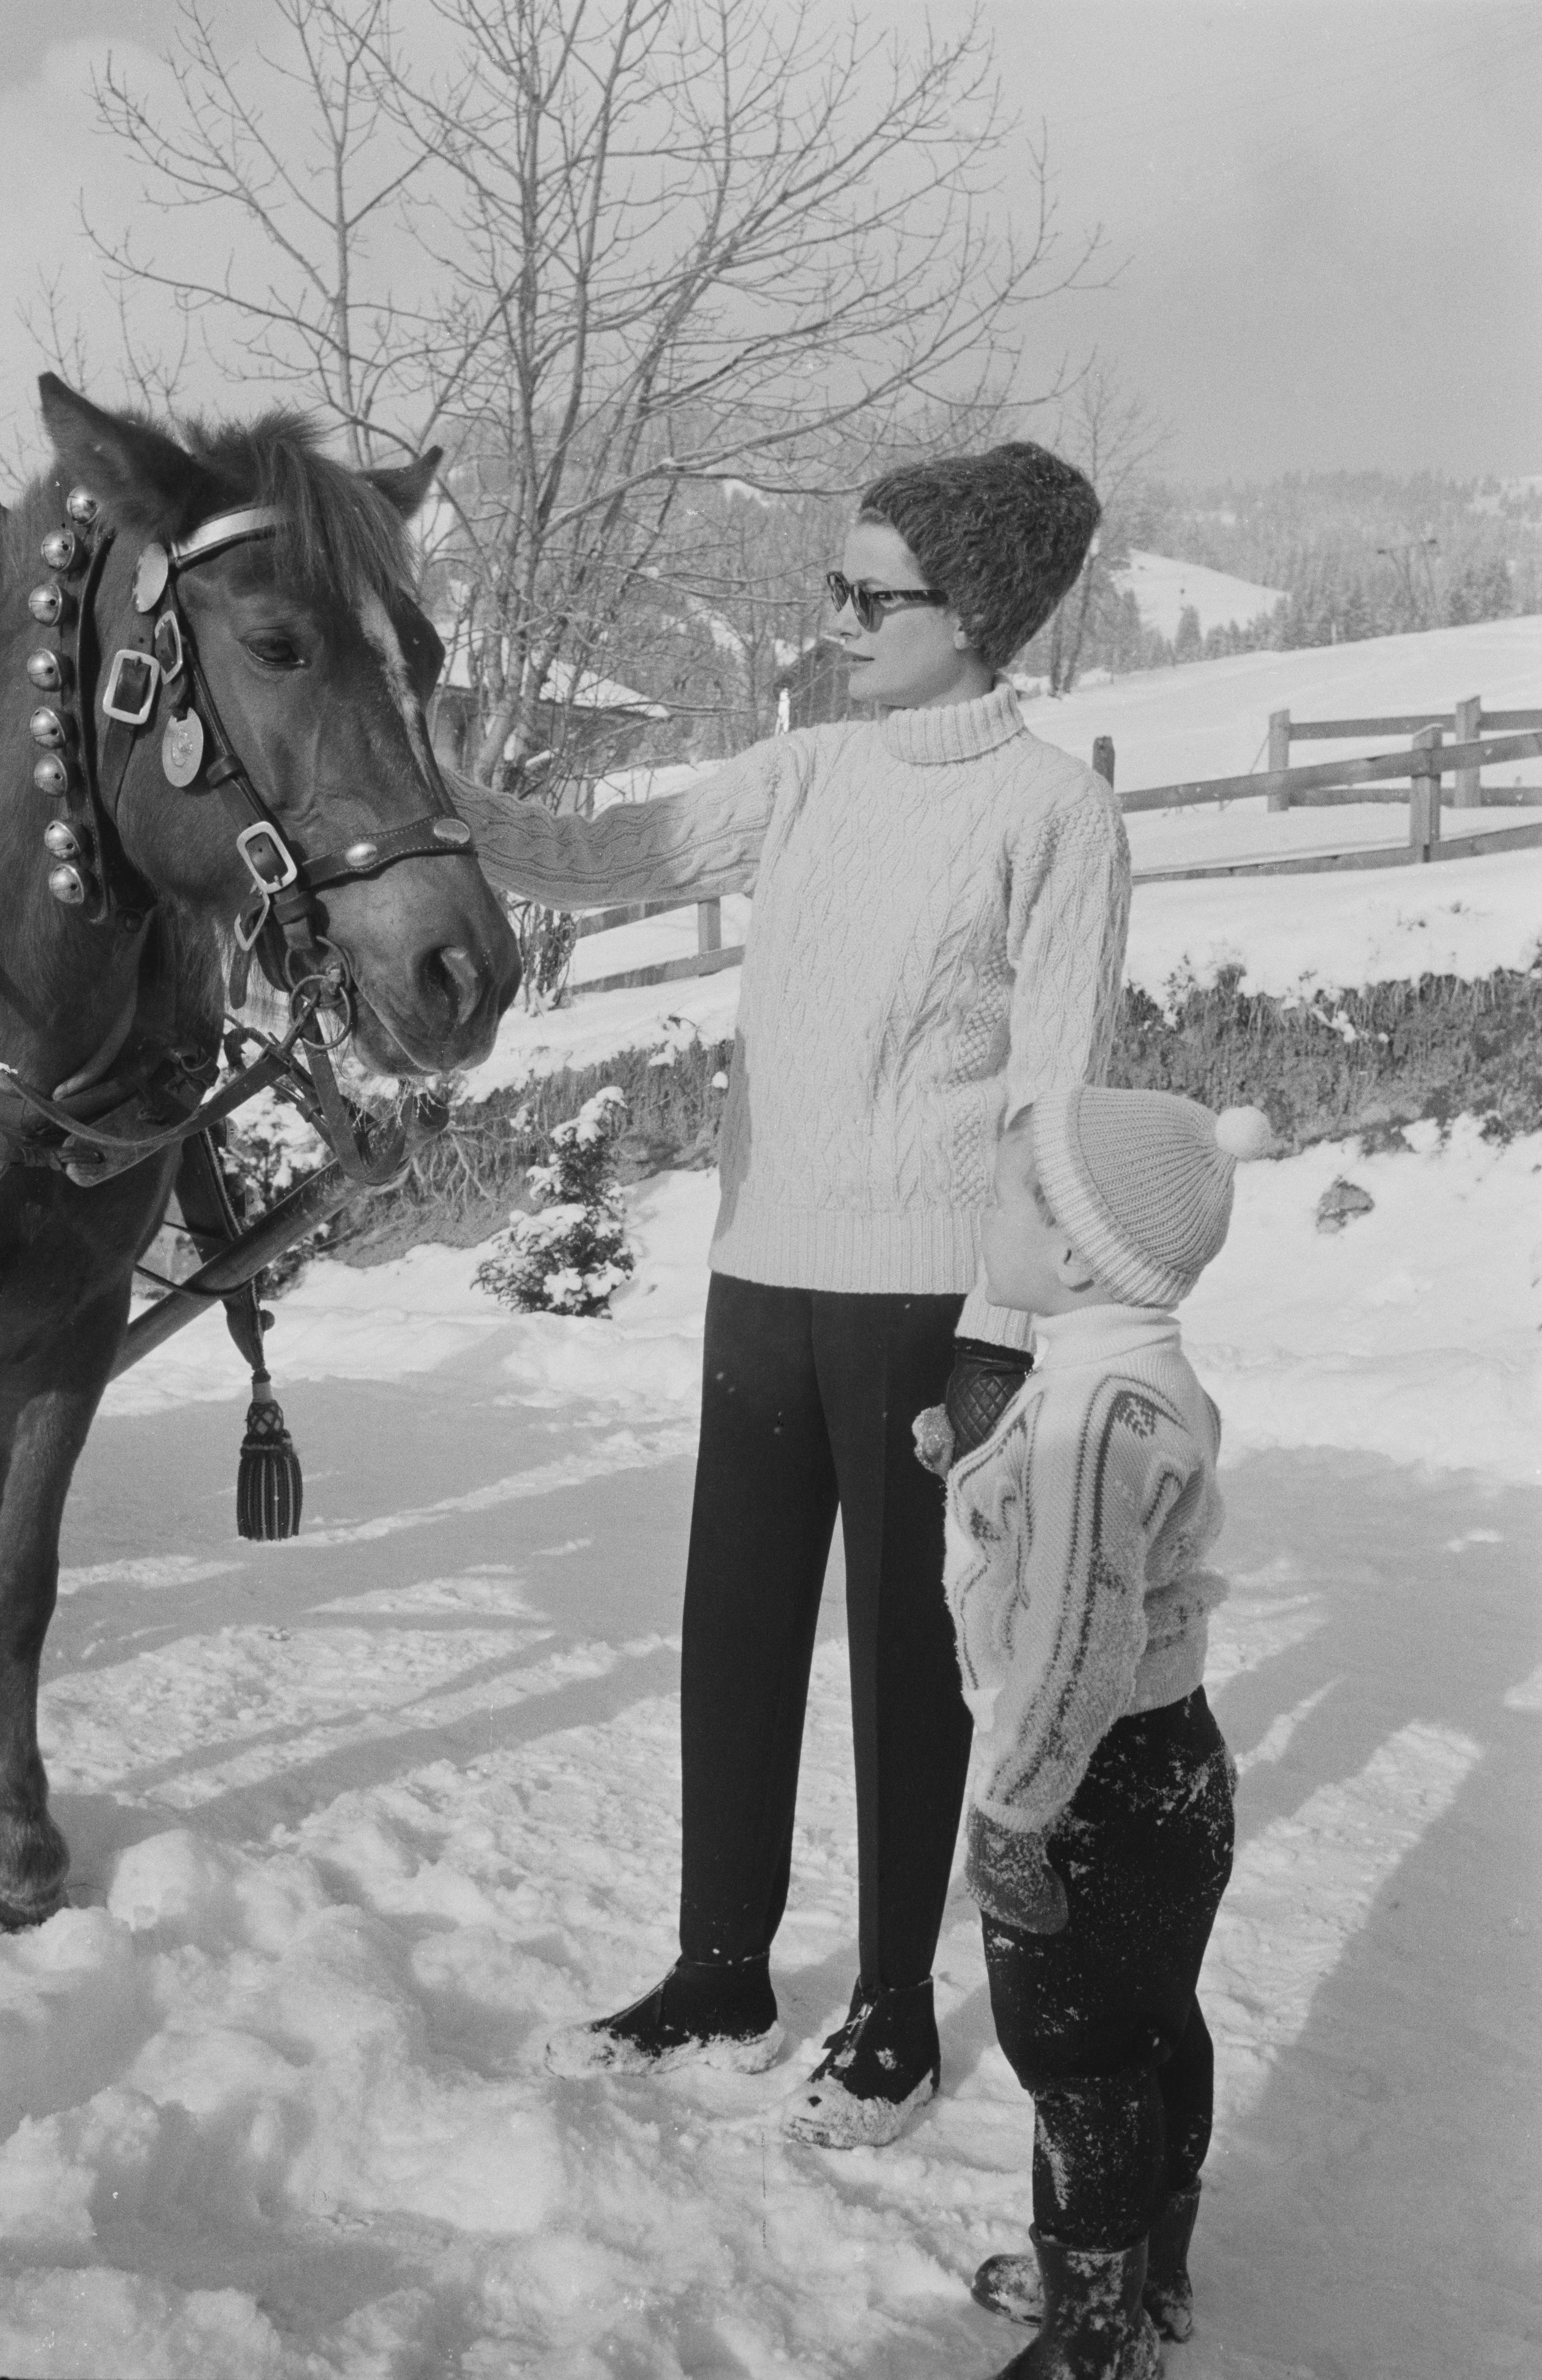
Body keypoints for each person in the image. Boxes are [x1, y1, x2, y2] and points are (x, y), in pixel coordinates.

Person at [471, 442, 1131, 2148]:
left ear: (973, 613)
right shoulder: (808, 771)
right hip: (761, 1267)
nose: (832, 618)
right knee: (736, 1633)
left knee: (914, 1667)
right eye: (831, 585)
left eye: (869, 592)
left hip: (927, 1302)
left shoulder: (1055, 810)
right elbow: (603, 854)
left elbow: (1061, 1090)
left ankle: (899, 2013)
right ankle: (719, 1967)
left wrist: (1008, 1330)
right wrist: (410, 794)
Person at [926, 1087, 1270, 2377]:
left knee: (1077, 2057)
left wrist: (1014, 1814)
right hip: (1171, 1763)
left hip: (1086, 1785)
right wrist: (973, 1464)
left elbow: (1077, 1641)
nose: (988, 1207)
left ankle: (1095, 2331)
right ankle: (1147, 2267)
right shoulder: (1134, 1377)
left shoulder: (1083, 1423)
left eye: (1011, 1190)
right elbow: (1112, 1520)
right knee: (1154, 2021)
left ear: (1074, 1253)